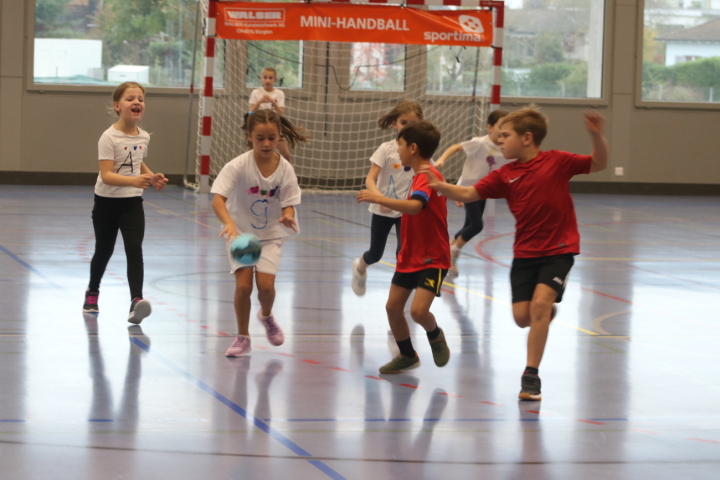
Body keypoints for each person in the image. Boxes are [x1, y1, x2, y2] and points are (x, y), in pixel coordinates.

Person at [419, 106, 608, 400]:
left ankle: (531, 376)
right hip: (524, 253)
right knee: (522, 317)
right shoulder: (504, 174)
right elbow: (469, 194)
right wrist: (439, 186)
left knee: (540, 305)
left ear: (527, 138)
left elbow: (598, 162)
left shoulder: (557, 161)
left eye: (506, 136)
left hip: (559, 249)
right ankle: (545, 313)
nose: (500, 141)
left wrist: (596, 135)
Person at [211, 110, 309, 357]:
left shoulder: (285, 169)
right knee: (243, 287)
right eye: (260, 138)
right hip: (242, 234)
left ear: (279, 137)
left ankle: (266, 315)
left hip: (271, 234)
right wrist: (228, 223)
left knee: (265, 287)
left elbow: (289, 200)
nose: (266, 143)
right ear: (249, 137)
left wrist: (287, 214)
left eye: (271, 138)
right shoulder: (238, 165)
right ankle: (243, 337)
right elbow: (218, 200)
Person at [357, 120, 451, 374]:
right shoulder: (418, 175)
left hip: (433, 257)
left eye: (399, 145)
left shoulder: (427, 176)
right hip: (410, 255)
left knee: (419, 311)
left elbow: (415, 206)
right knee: (392, 308)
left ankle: (435, 333)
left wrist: (378, 198)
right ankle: (408, 355)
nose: (397, 151)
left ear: (413, 148)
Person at [82, 82, 168, 324]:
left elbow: (137, 161)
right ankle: (92, 291)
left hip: (132, 203)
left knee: (134, 249)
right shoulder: (108, 137)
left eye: (140, 98)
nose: (137, 102)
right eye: (130, 98)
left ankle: (136, 302)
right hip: (106, 202)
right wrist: (135, 180)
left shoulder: (143, 136)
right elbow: (107, 175)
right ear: (117, 106)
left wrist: (151, 177)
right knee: (104, 250)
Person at [351, 100, 424, 296]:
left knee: (403, 251)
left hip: (406, 209)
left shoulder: (421, 151)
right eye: (403, 122)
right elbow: (370, 178)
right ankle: (360, 267)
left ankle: (401, 290)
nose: (406, 127)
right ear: (394, 124)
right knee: (375, 254)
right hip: (382, 208)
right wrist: (378, 197)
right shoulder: (386, 148)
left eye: (412, 123)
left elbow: (430, 174)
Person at [434, 109, 511, 276]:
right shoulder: (480, 143)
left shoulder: (507, 147)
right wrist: (441, 160)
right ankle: (454, 252)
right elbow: (456, 148)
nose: (504, 130)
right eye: (500, 126)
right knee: (477, 225)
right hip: (468, 189)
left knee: (469, 225)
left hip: (483, 191)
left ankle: (448, 253)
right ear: (490, 127)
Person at [248, 67, 292, 162]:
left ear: (275, 79)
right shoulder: (256, 92)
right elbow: (250, 112)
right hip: (259, 127)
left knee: (286, 155)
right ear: (261, 78)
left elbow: (281, 113)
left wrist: (273, 102)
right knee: (254, 154)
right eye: (265, 77)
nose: (267, 80)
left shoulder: (279, 93)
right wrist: (259, 102)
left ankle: (289, 175)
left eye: (270, 78)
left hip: (274, 126)